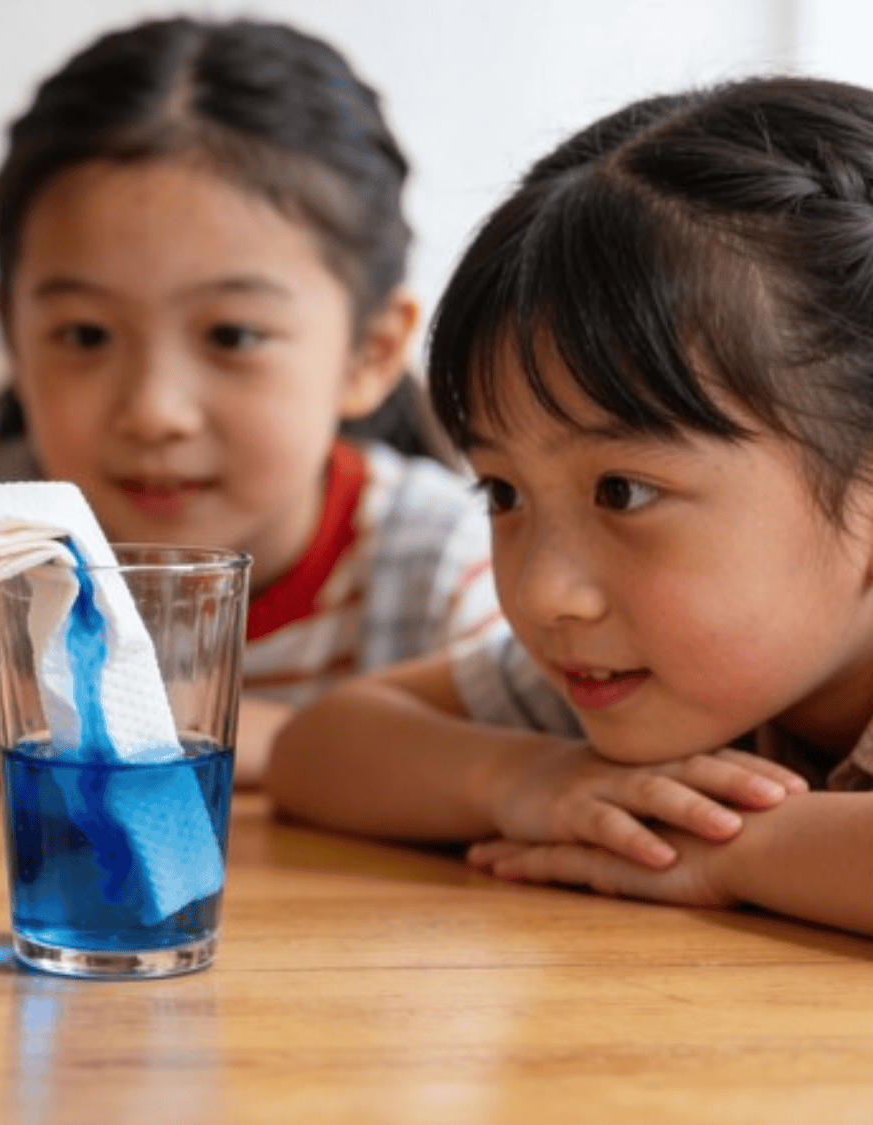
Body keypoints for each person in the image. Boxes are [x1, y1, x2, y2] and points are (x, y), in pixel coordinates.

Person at [265, 75, 873, 935]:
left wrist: (740, 847)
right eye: (504, 492)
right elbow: (320, 749)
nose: (546, 592)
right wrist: (530, 780)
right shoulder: (652, 671)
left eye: (622, 491)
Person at [0, 16, 499, 791]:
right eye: (85, 334)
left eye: (232, 334)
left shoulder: (449, 573)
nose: (154, 411)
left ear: (370, 352)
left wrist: (302, 745)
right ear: (13, 331)